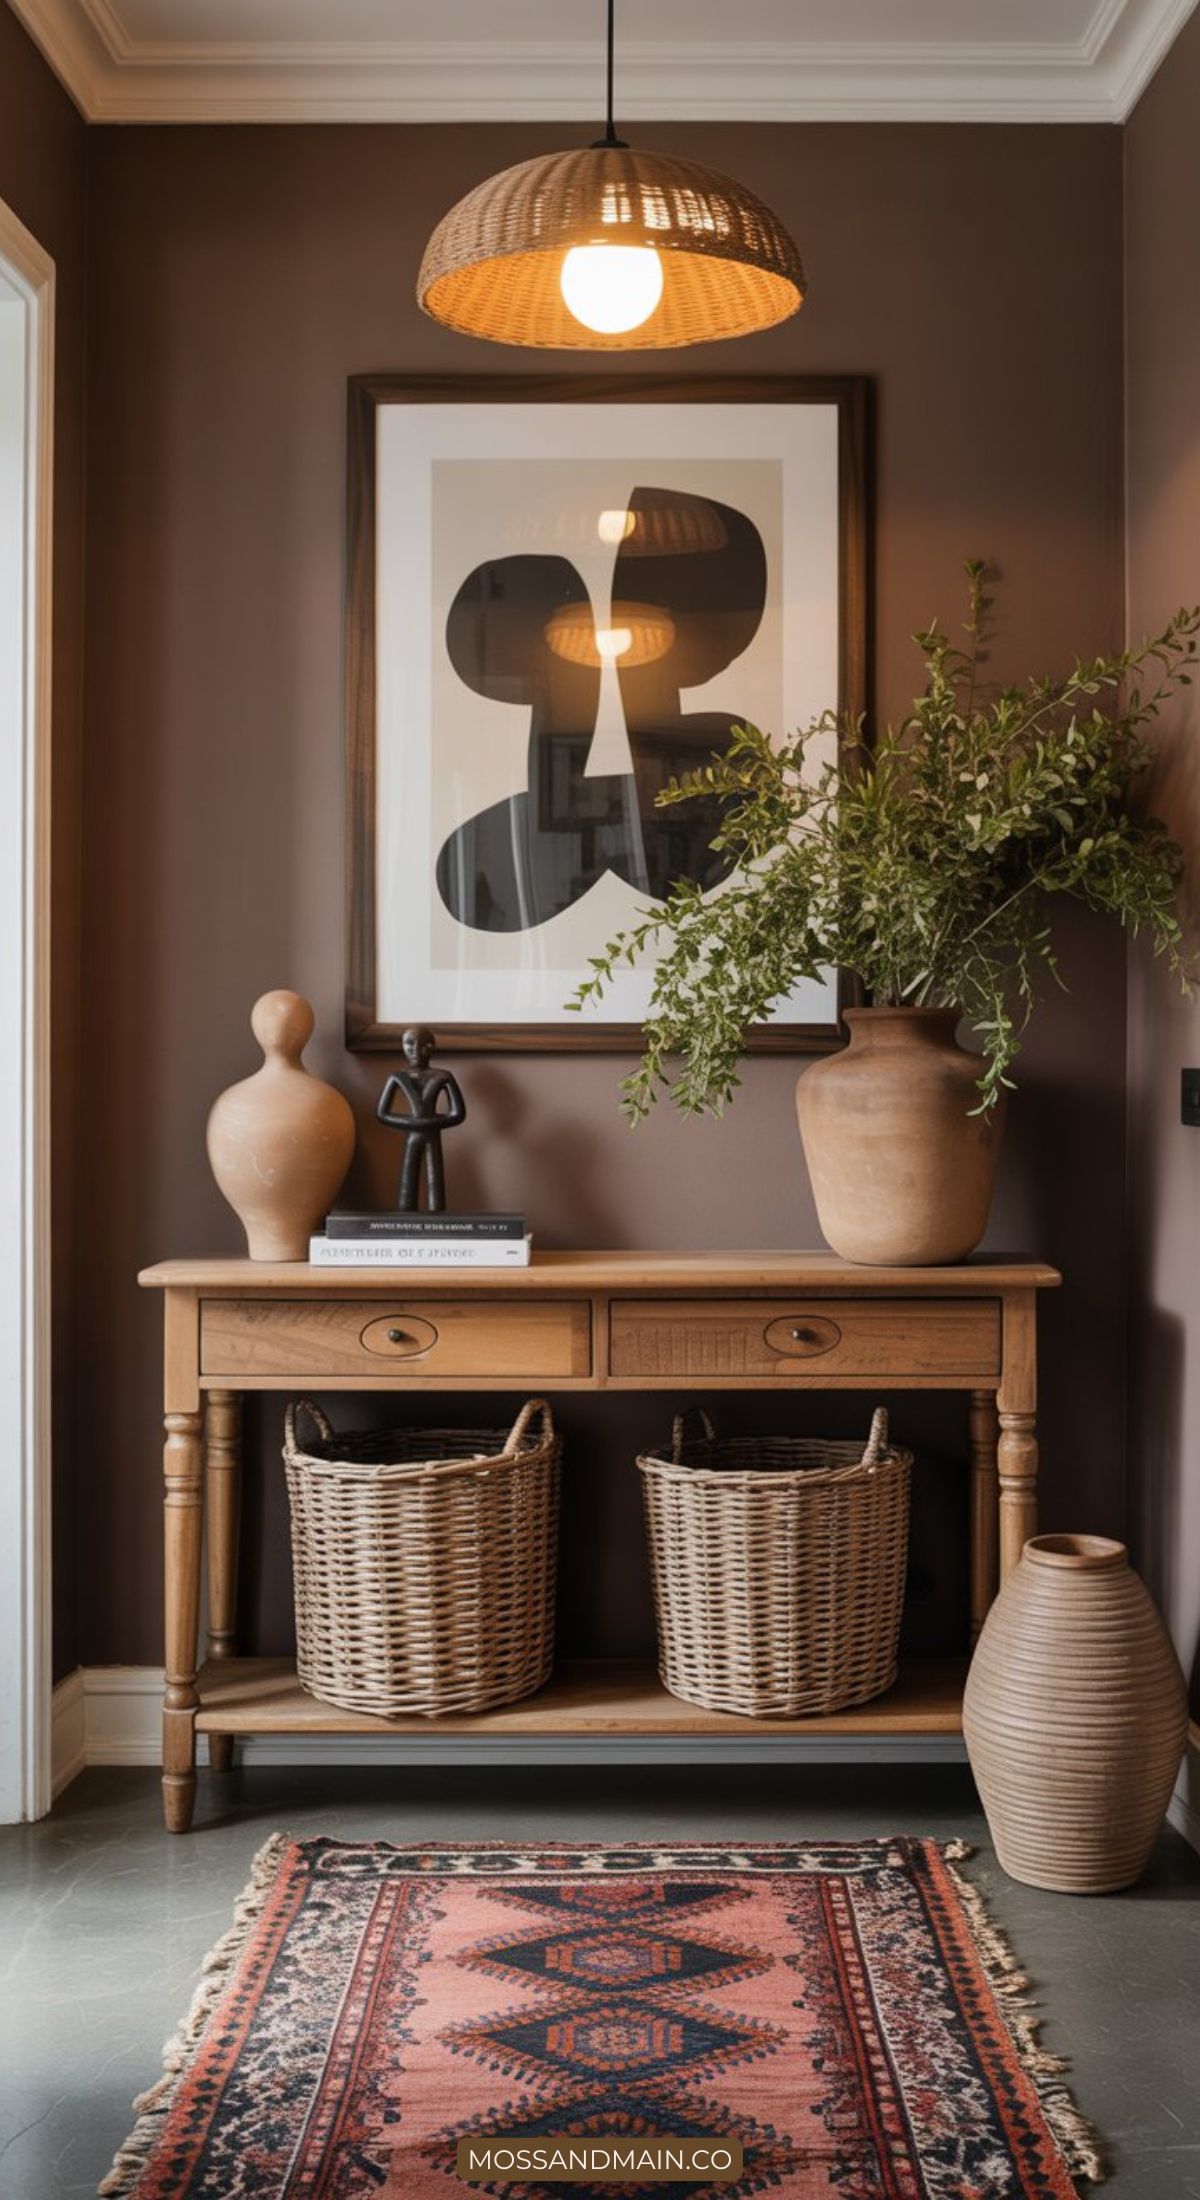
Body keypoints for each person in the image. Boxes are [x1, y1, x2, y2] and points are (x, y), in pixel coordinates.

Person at [376, 1027, 466, 1212]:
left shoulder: (443, 1076)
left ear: (431, 1047)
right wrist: (417, 1123)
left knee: (436, 1194)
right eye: (409, 1043)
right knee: (406, 1192)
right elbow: (382, 1113)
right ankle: (405, 1224)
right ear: (402, 1046)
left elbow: (458, 1113)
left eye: (422, 1044)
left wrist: (423, 1123)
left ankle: (437, 1224)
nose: (415, 1050)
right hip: (415, 1136)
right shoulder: (397, 1077)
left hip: (430, 1136)